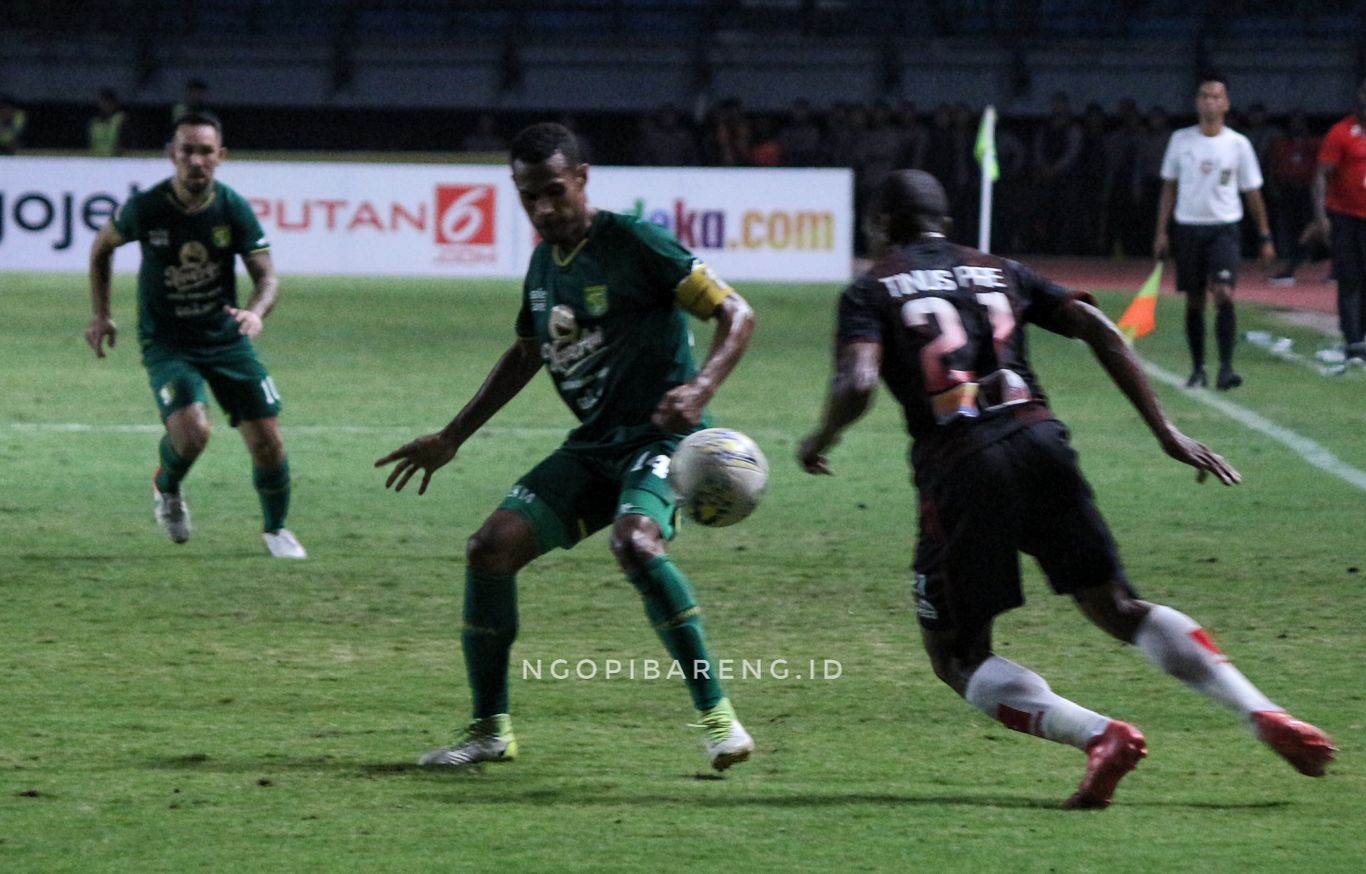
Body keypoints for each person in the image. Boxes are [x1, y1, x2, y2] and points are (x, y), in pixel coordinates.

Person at [798, 169, 1335, 809]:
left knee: (957, 656)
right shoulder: (1000, 268)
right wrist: (1165, 432)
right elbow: (1101, 328)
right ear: (945, 219)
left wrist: (820, 439)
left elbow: (858, 383)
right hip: (1042, 442)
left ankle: (1099, 736)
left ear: (881, 224)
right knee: (1118, 607)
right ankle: (1260, 711)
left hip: (964, 466)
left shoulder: (871, 287)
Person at [376, 122, 757, 770]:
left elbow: (736, 314)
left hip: (664, 440)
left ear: (583, 178)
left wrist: (699, 389)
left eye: (554, 192)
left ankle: (720, 720)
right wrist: (451, 437)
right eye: (529, 198)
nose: (544, 209)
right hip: (594, 447)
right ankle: (489, 731)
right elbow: (527, 353)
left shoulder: (635, 242)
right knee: (489, 549)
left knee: (635, 542)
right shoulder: (541, 265)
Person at [85, 112, 306, 559]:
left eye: (206, 151)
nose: (196, 160)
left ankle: (276, 530)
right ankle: (166, 488)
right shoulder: (147, 208)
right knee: (193, 436)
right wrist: (102, 314)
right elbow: (101, 248)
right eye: (187, 150)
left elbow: (267, 278)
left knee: (268, 441)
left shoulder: (232, 208)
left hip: (226, 339)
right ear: (173, 155)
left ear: (220, 157)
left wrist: (256, 312)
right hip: (168, 344)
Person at [1154, 74, 1275, 390]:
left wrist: (1265, 236)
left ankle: (1226, 368)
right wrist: (1161, 232)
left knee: (1223, 293)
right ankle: (1197, 368)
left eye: (1216, 96)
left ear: (1226, 103)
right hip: (1189, 227)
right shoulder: (1181, 140)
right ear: (1197, 102)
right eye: (1204, 96)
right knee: (1194, 300)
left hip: (1224, 228)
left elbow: (1253, 192)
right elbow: (1169, 187)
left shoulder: (1238, 144)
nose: (1209, 101)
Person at [1304, 79, 1366, 367]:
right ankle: (1353, 342)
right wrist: (1321, 218)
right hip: (1346, 217)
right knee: (1350, 280)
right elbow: (1320, 175)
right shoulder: (1342, 132)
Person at [89, 88, 127, 156]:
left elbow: (127, 141)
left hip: (115, 160)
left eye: (108, 102)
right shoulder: (94, 122)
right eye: (103, 101)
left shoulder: (120, 118)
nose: (105, 104)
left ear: (114, 103)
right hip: (96, 160)